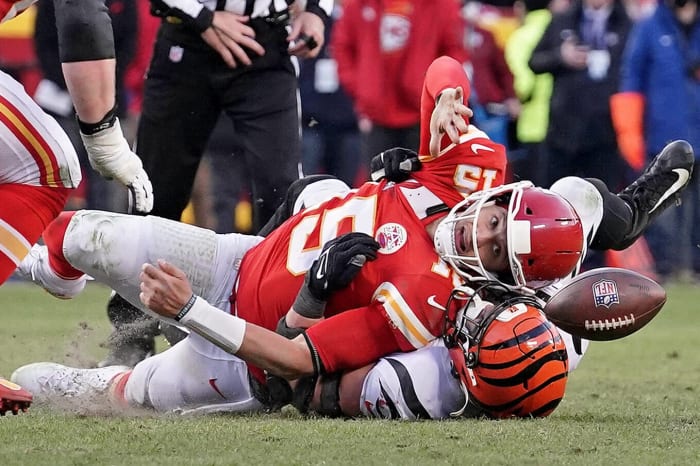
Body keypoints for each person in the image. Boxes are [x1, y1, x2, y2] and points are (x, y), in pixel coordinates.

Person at [11, 57, 695, 418]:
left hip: (236, 357)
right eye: (492, 217)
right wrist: (451, 97)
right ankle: (51, 276)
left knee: (58, 388)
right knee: (80, 234)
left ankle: (103, 360)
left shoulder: (425, 299)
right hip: (241, 257)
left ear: (501, 278)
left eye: (492, 247)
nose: (476, 229)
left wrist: (192, 311)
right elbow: (443, 70)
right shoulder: (472, 172)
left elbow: (295, 359)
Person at [100, 0, 334, 367]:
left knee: (283, 197)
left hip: (265, 44)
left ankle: (274, 340)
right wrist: (203, 18)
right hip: (187, 40)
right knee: (155, 196)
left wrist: (316, 12)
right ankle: (131, 335)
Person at [611, 0, 700, 280]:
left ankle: (692, 269)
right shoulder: (649, 27)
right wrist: (629, 133)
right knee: (663, 211)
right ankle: (668, 269)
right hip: (662, 138)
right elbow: (631, 79)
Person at [331, 0, 466, 167]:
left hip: (424, 113)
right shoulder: (358, 5)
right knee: (378, 183)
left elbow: (454, 51)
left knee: (421, 183)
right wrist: (362, 90)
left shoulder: (441, 5)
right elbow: (342, 47)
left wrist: (439, 91)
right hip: (377, 112)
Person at [529, 0, 632, 191]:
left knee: (603, 201)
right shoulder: (563, 19)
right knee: (554, 198)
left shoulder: (626, 23)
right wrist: (560, 56)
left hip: (607, 131)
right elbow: (534, 61)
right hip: (563, 131)